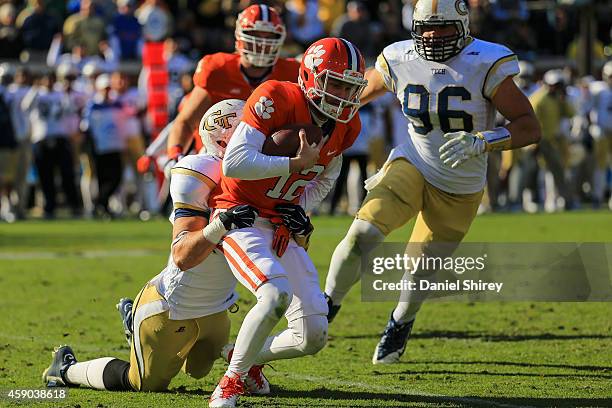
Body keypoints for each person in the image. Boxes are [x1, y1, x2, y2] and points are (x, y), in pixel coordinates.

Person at [323, 0, 541, 364]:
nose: (431, 35)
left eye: (441, 28)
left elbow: (530, 127)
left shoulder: (484, 61)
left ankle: (400, 321)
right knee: (363, 234)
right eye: (425, 27)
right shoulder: (400, 57)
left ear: (463, 27)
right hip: (414, 160)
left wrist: (484, 140)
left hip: (460, 182)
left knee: (419, 269)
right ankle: (326, 305)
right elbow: (354, 98)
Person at [42, 99, 258, 392]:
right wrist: (221, 224)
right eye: (251, 131)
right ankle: (66, 370)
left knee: (199, 370)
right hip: (172, 307)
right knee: (143, 383)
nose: (261, 138)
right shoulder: (201, 171)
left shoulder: (262, 177)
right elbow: (182, 255)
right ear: (224, 140)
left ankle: (138, 328)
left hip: (217, 309)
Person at [207, 37, 368, 408]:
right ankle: (229, 385)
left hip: (280, 225)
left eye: (351, 87)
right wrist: (292, 165)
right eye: (336, 83)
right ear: (311, 77)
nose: (344, 95)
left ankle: (246, 359)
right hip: (241, 214)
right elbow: (235, 163)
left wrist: (300, 204)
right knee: (274, 295)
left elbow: (327, 174)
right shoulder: (276, 96)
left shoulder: (347, 125)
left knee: (312, 335)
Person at [165, 4, 299, 173]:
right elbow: (186, 120)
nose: (261, 44)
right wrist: (175, 155)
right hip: (214, 157)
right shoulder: (217, 69)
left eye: (269, 36)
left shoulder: (292, 73)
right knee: (188, 184)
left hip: (265, 159)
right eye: (254, 35)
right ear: (239, 37)